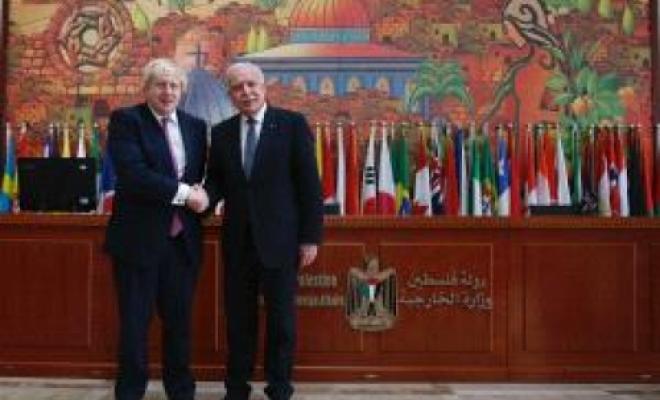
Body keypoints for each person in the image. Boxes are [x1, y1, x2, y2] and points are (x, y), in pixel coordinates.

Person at [203, 61, 323, 400]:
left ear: (263, 86)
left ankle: (279, 387)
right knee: (238, 321)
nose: (246, 92)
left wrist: (310, 237)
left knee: (282, 322)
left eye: (251, 85)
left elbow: (309, 186)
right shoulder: (222, 132)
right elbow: (216, 182)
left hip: (281, 241)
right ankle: (236, 388)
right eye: (237, 87)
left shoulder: (291, 124)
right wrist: (202, 199)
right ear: (230, 94)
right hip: (238, 243)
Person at [104, 58, 209, 400]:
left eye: (174, 85)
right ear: (146, 88)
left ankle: (181, 391)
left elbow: (200, 176)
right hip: (138, 241)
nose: (168, 92)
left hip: (182, 242)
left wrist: (205, 194)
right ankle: (130, 393)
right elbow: (133, 174)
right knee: (135, 325)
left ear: (182, 90)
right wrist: (186, 194)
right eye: (160, 85)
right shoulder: (127, 120)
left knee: (179, 324)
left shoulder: (195, 126)